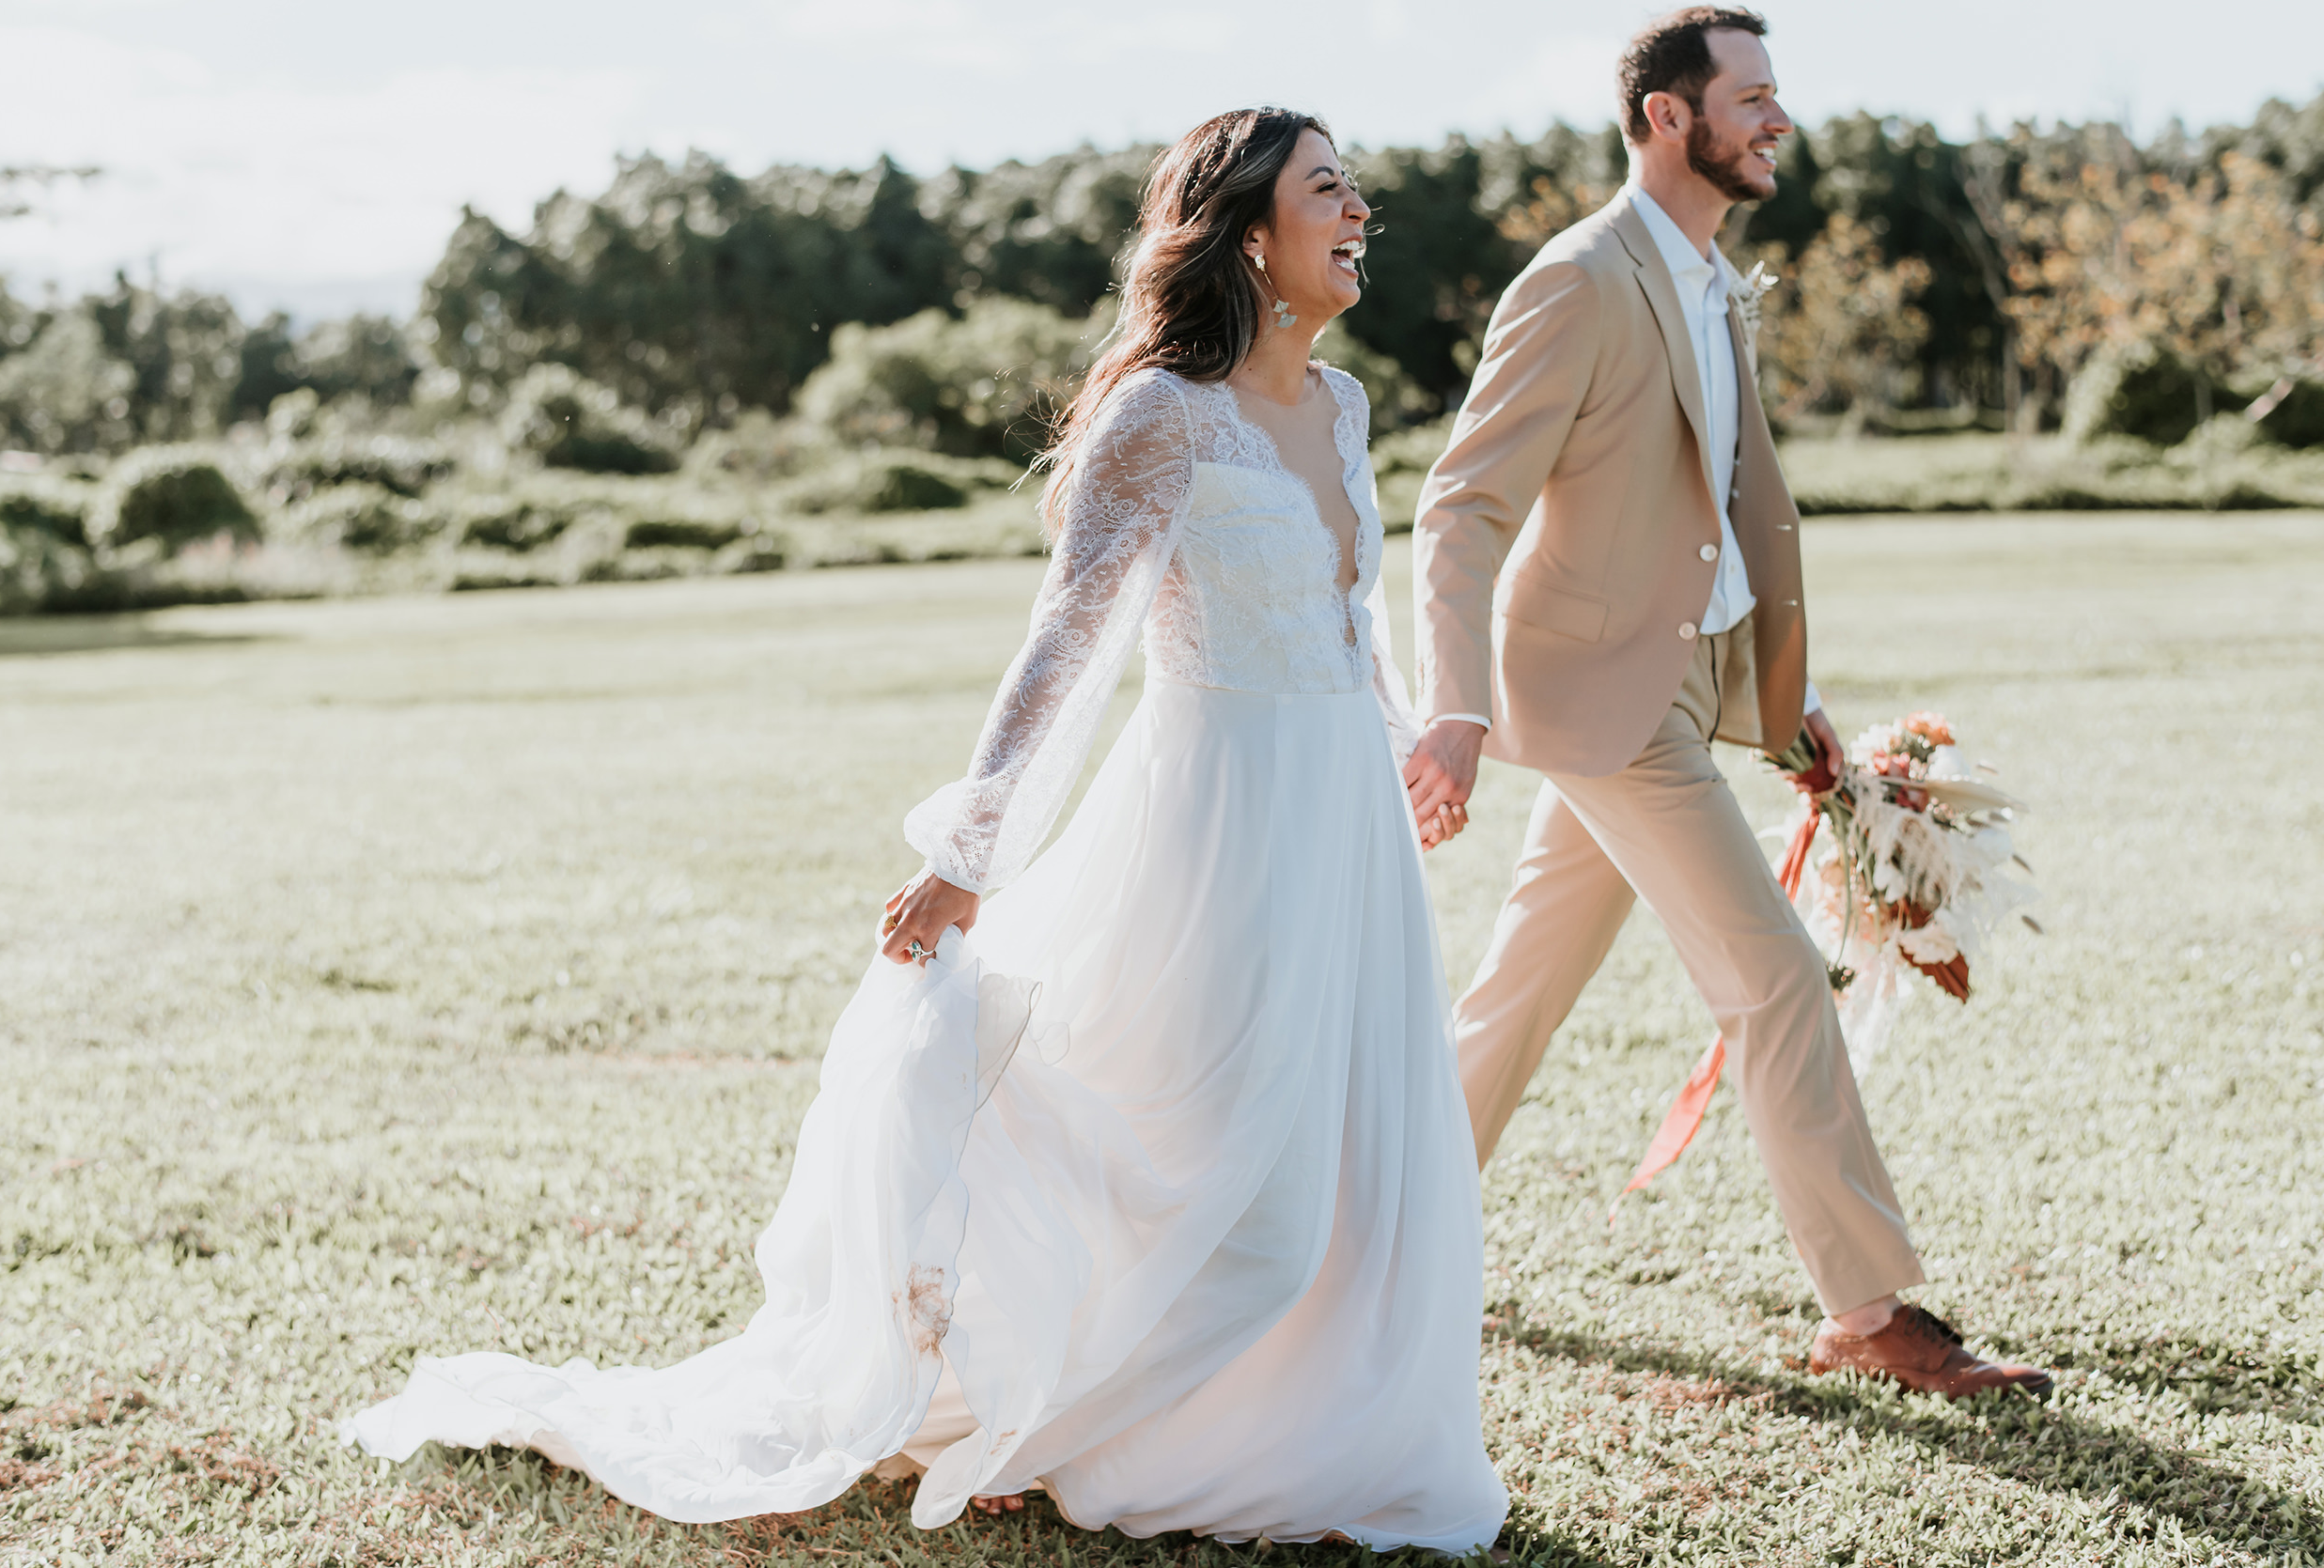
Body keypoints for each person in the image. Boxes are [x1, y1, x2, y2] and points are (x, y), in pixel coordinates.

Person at [343, 107, 1508, 1553]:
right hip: (1225, 829)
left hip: (1348, 829)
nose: (1359, 212)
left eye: (1355, 190)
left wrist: (1406, 746)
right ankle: (1060, 1412)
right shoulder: (1162, 415)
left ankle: (1316, 1441)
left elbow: (1352, 614)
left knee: (1353, 1156)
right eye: (1328, 188)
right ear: (1250, 231)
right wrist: (970, 851)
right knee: (1220, 1164)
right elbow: (1063, 646)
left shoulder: (1343, 407)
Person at [1401, 7, 2053, 1400]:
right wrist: (1451, 704)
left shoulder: (1712, 279)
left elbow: (1723, 505)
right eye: (1750, 98)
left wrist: (1785, 689)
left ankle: (1382, 1238)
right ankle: (1867, 1311)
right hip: (1602, 700)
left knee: (1519, 988)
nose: (1779, 121)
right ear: (1662, 118)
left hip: (1684, 683)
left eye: (1778, 96)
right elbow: (1459, 506)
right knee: (1773, 980)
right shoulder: (1581, 280)